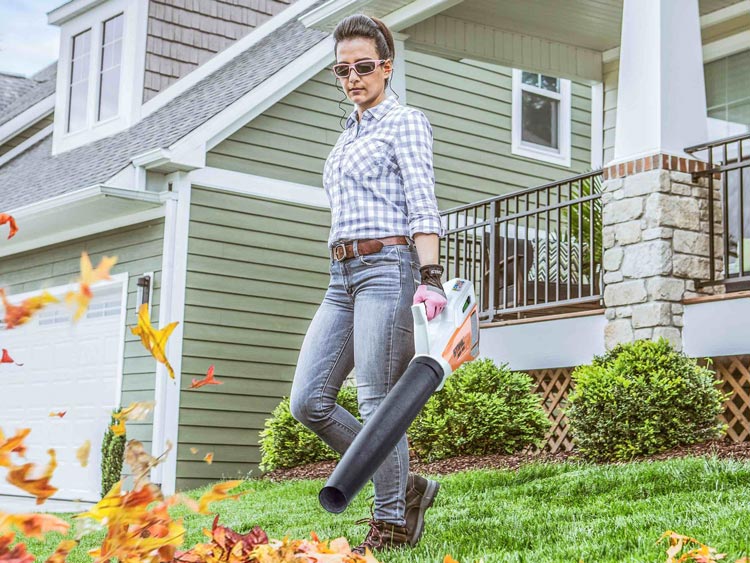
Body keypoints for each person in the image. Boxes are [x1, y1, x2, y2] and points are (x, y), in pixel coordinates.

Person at [289, 13, 446, 555]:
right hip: (342, 275)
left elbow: (422, 200)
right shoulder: (349, 132)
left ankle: (391, 523)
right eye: (341, 69)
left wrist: (430, 278)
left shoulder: (405, 122)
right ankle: (406, 487)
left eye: (362, 66)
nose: (352, 77)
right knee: (308, 401)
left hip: (390, 266)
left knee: (380, 400)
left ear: (386, 65)